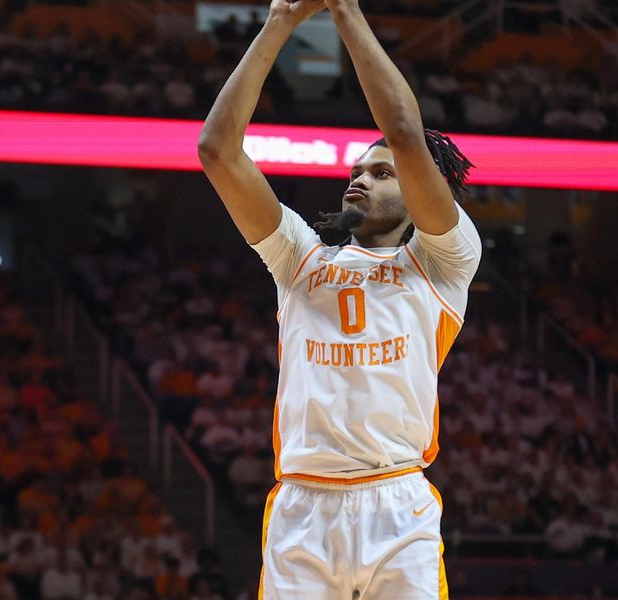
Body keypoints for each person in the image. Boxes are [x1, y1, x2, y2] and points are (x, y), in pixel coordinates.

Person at [198, 0, 481, 597]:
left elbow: (405, 134)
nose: (359, 177)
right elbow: (217, 151)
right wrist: (280, 21)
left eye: (381, 173)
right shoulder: (299, 258)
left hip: (396, 502)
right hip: (304, 506)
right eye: (358, 168)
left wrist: (345, 11)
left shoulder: (443, 261)